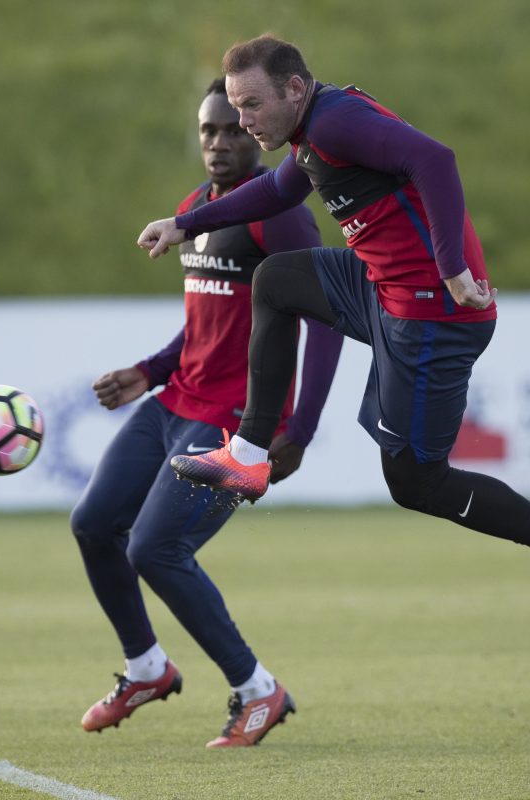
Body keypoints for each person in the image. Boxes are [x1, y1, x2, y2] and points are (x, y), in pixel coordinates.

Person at [138, 35, 530, 637]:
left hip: (434, 317)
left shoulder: (335, 122)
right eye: (236, 107)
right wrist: (185, 224)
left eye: (252, 105)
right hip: (384, 292)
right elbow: (280, 190)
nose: (242, 122)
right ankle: (249, 456)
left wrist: (452, 269)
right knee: (279, 279)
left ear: (293, 88)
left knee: (417, 482)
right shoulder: (312, 129)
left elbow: (435, 160)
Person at [72, 78, 343, 748]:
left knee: (157, 549)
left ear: (255, 131)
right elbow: (204, 324)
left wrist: (297, 428)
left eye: (233, 128)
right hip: (174, 404)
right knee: (93, 524)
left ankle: (259, 692)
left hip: (236, 421)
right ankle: (146, 668)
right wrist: (149, 372)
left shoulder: (276, 215)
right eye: (208, 131)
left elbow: (328, 320)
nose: (220, 142)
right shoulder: (194, 207)